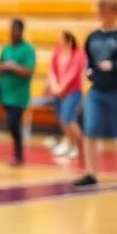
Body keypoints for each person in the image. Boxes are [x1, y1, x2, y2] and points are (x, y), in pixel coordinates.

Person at [72, 0, 117, 191]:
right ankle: (90, 172)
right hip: (97, 90)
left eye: (104, 10)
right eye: (100, 10)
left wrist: (116, 66)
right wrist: (89, 70)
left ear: (114, 12)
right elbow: (88, 59)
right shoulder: (93, 36)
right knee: (90, 129)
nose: (101, 14)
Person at [0, 19, 36, 166]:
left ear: (22, 31)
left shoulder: (28, 50)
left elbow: (28, 71)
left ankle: (18, 155)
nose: (13, 33)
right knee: (10, 124)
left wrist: (13, 67)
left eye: (16, 30)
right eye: (12, 29)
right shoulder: (6, 49)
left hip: (19, 95)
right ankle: (16, 154)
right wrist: (2, 68)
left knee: (13, 123)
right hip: (6, 93)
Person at [46, 31, 85, 161]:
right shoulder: (57, 52)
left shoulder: (78, 54)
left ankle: (79, 146)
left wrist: (61, 87)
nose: (58, 40)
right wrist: (54, 86)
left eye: (61, 38)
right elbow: (51, 70)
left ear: (68, 39)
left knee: (69, 118)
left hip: (72, 91)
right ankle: (69, 143)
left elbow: (74, 72)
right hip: (58, 92)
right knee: (62, 119)